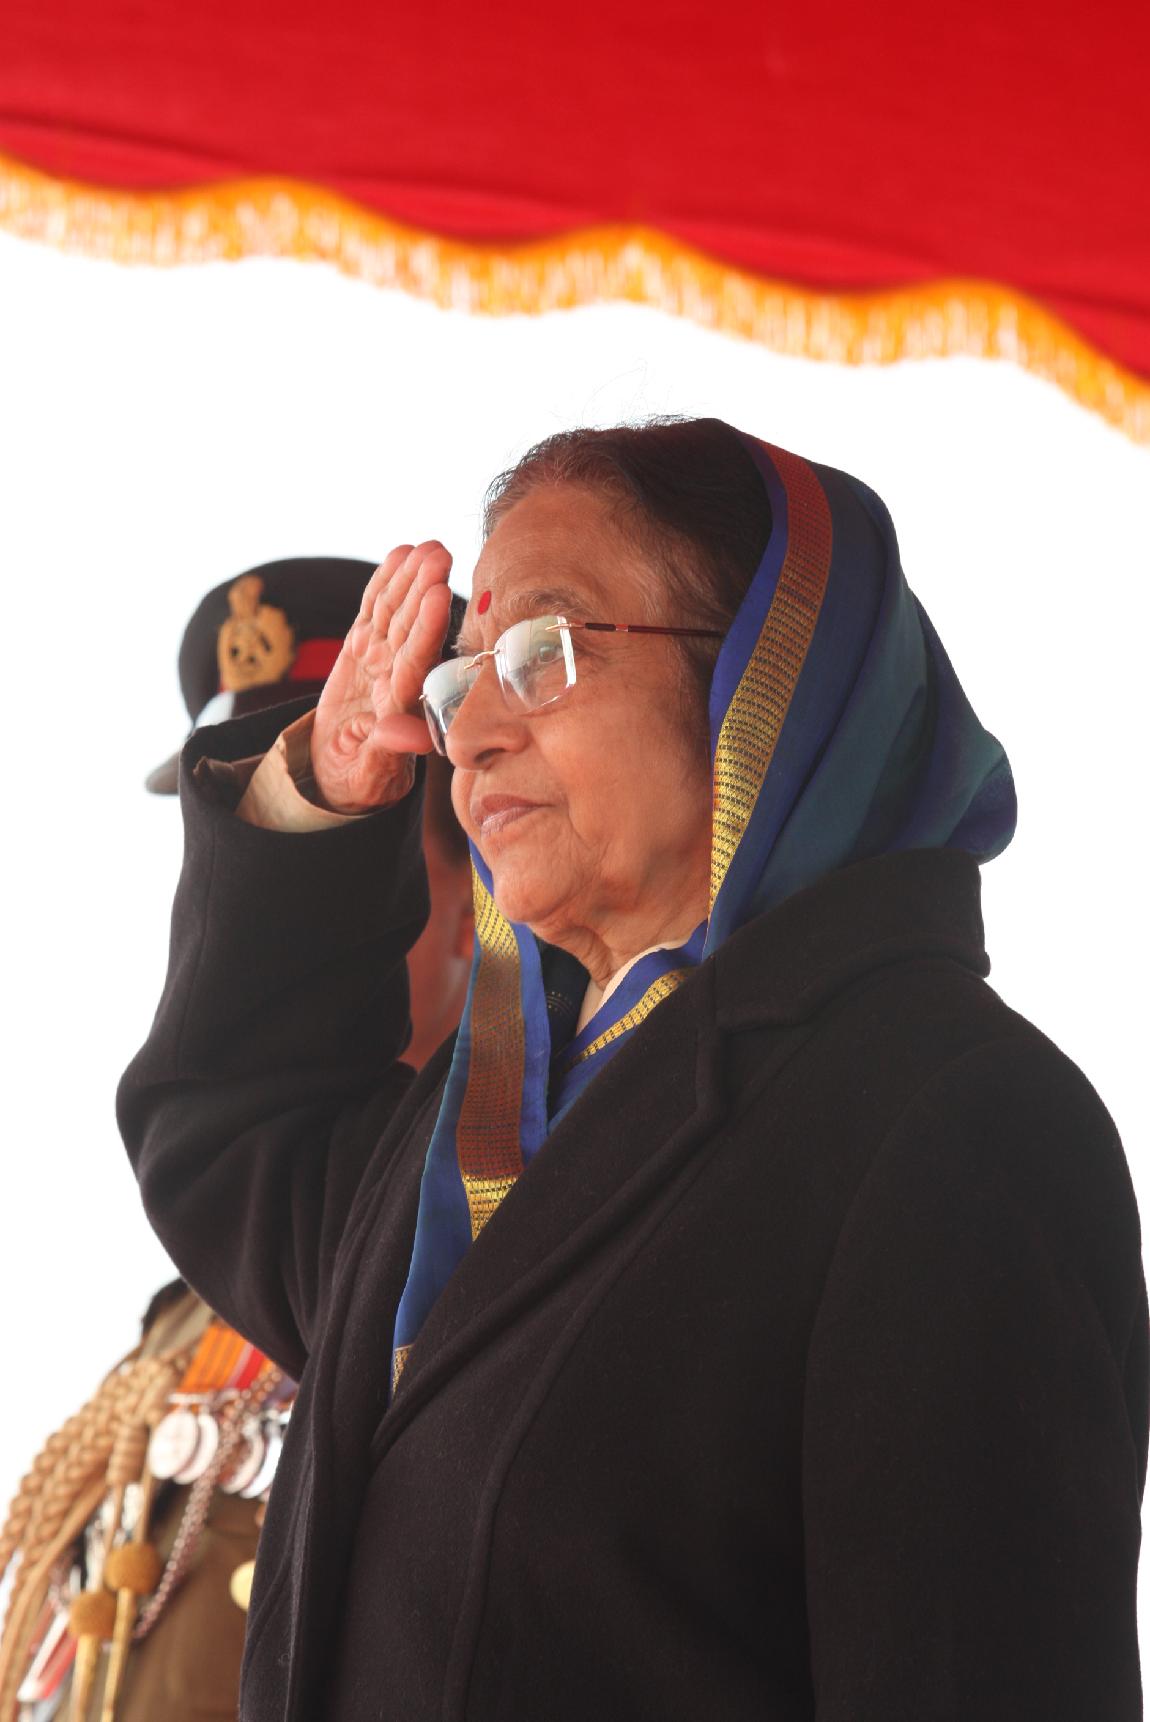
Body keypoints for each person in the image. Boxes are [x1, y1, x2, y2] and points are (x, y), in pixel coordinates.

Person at [118, 419, 1148, 1722]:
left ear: (764, 674)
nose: (469, 733)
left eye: (540, 652)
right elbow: (237, 1119)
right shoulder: (481, 1122)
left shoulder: (954, 1125)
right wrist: (321, 784)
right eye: (460, 677)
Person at [0, 560, 471, 1722]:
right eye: (253, 825)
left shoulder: (499, 1247)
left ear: (475, 875)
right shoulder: (192, 1308)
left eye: (343, 820)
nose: (258, 885)